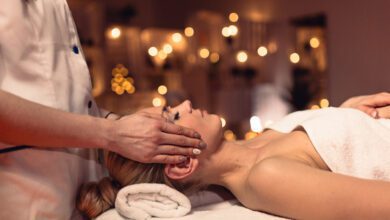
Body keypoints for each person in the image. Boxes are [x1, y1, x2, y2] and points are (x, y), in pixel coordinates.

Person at [0, 0, 206, 219]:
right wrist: (110, 133)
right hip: (25, 198)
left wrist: (116, 123)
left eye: (169, 115)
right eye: (171, 114)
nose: (187, 103)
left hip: (79, 194)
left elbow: (61, 99)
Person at [77, 92, 390, 219]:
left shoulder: (261, 140)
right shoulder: (267, 178)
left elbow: (340, 149)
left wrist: (347, 112)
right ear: (183, 163)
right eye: (174, 116)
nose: (185, 103)